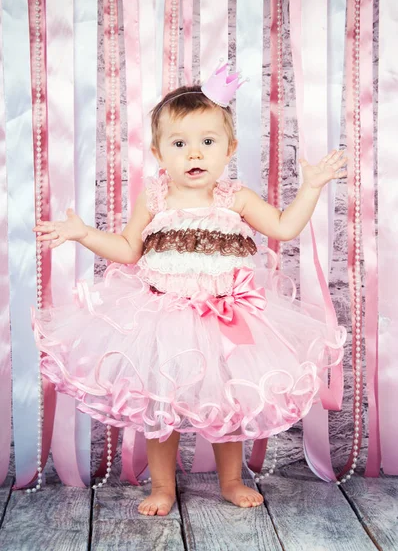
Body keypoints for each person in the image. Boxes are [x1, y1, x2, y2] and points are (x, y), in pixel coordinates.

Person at [32, 64, 347, 517]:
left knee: (230, 401)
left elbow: (284, 226)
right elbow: (126, 250)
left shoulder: (234, 197)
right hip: (163, 317)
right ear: (160, 153)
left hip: (228, 317)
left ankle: (231, 480)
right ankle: (162, 487)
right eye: (179, 144)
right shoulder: (155, 198)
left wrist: (312, 187)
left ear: (229, 148)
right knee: (161, 407)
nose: (194, 153)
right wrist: (83, 233)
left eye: (207, 141)